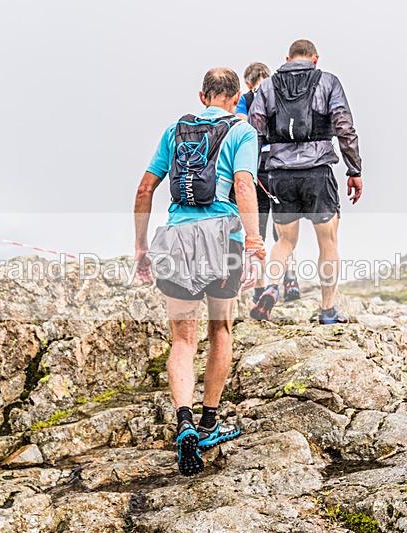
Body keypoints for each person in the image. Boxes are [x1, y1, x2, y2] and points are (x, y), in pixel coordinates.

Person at [134, 68, 263, 476]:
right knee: (220, 329)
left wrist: (141, 247)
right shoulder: (243, 132)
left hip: (174, 239)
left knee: (182, 339)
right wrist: (256, 243)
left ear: (203, 95)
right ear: (236, 96)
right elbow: (243, 186)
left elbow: (144, 189)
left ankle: (184, 422)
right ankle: (209, 423)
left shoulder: (175, 131)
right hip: (223, 237)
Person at [249, 39, 363, 324]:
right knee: (328, 241)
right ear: (316, 59)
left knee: (285, 239)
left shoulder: (266, 87)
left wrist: (254, 172)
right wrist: (354, 169)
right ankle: (327, 311)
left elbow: (254, 133)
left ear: (287, 58)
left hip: (279, 174)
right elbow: (344, 126)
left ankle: (272, 286)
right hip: (317, 172)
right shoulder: (328, 81)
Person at [235, 62, 301, 304]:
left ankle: (260, 288)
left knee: (259, 230)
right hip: (283, 167)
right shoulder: (281, 96)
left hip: (257, 168)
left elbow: (240, 123)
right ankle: (290, 279)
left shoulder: (246, 99)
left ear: (248, 83)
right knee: (285, 232)